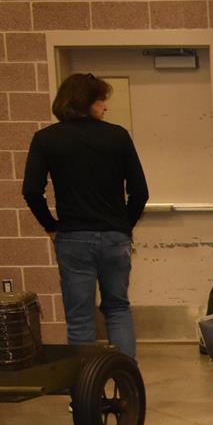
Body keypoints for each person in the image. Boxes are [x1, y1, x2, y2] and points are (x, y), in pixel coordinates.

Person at [21, 73, 148, 358]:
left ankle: (84, 393)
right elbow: (139, 192)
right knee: (118, 309)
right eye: (102, 100)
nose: (105, 107)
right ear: (88, 102)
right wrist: (123, 227)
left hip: (73, 237)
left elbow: (31, 191)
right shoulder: (117, 136)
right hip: (114, 238)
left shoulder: (46, 139)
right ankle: (128, 386)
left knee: (80, 319)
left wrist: (51, 226)